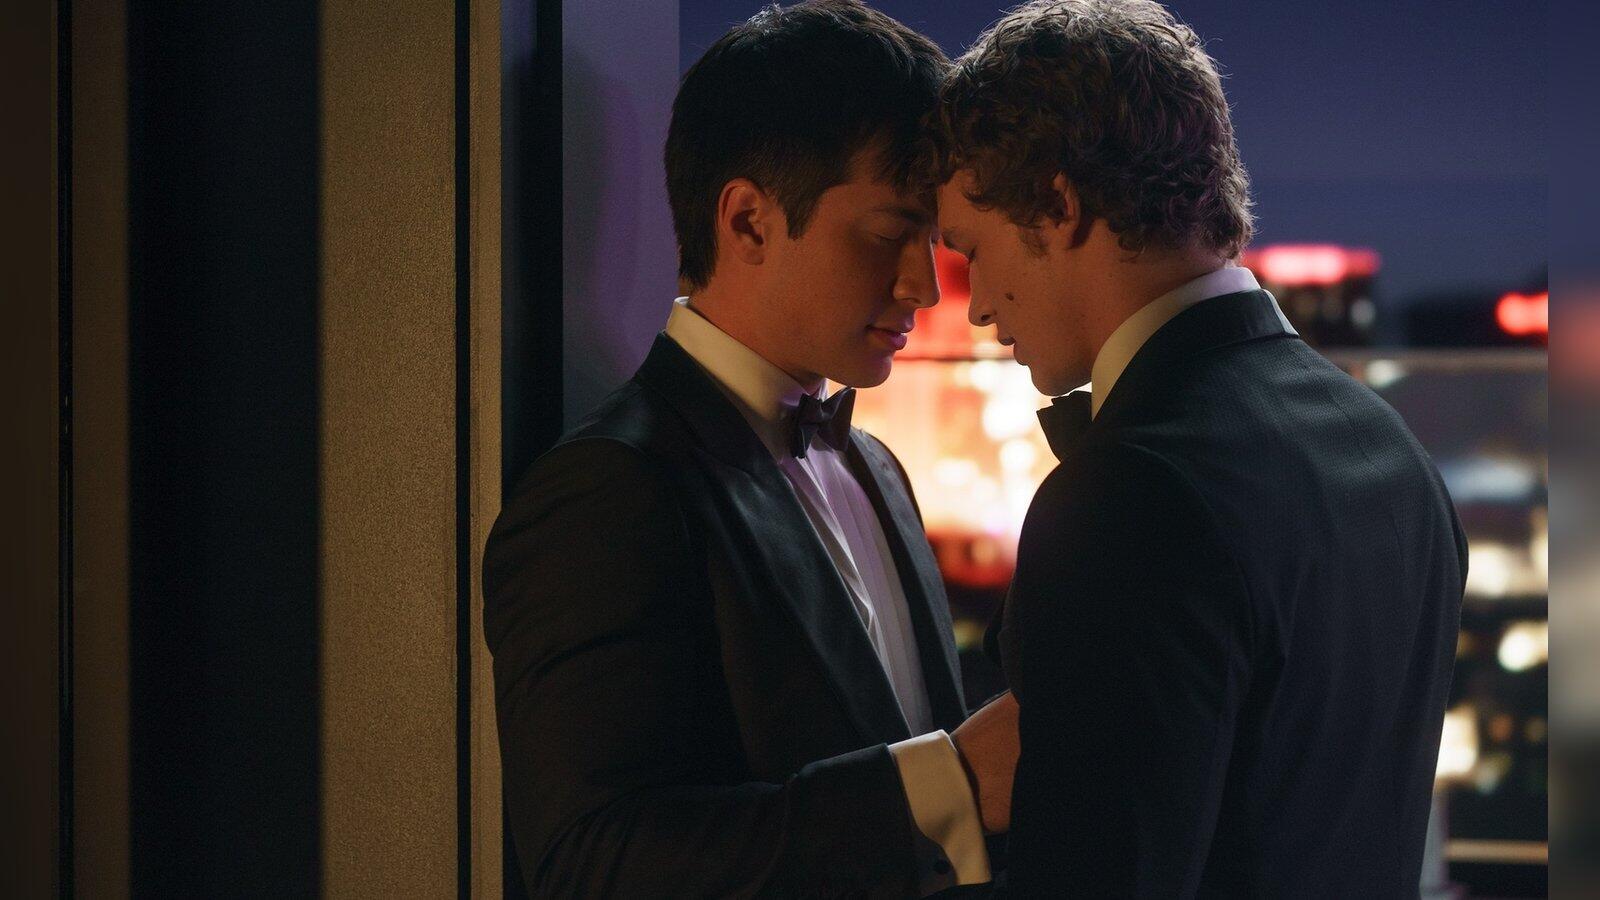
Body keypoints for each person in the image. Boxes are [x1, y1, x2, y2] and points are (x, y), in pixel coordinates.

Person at [922, 1, 1467, 895]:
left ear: (1057, 206)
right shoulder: (1392, 451)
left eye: (973, 249)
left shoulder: (1130, 493)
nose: (976, 303)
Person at [484, 2, 1014, 895]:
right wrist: (947, 781)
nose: (924, 286)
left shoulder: (878, 468)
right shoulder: (606, 491)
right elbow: (591, 864)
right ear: (748, 222)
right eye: (891, 234)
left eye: (931, 241)